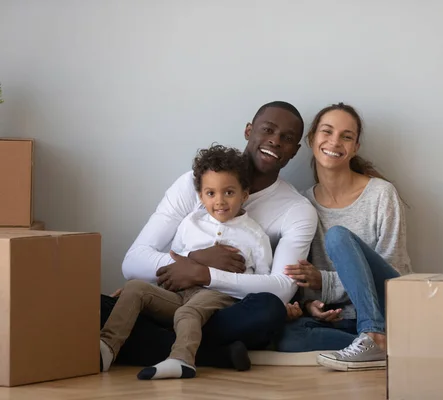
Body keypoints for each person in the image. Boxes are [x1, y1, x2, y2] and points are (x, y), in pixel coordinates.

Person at [101, 101, 318, 370]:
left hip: (226, 312)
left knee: (269, 310)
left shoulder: (296, 209)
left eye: (286, 138)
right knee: (97, 306)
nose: (275, 141)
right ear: (249, 131)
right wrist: (193, 261)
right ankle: (212, 356)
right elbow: (133, 263)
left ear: (294, 151)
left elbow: (283, 287)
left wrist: (206, 275)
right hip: (177, 299)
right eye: (268, 130)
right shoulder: (192, 184)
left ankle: (159, 346)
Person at [100, 145, 273, 380]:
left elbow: (264, 281)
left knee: (188, 312)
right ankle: (106, 348)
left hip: (218, 296)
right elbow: (177, 264)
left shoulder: (255, 236)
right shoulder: (190, 223)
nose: (220, 201)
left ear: (244, 194)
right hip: (181, 294)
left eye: (229, 193)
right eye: (211, 193)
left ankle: (181, 360)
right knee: (135, 288)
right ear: (201, 196)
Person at [279, 102, 412, 372]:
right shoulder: (302, 205)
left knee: (339, 237)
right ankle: (376, 345)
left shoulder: (381, 194)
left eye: (346, 136)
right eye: (327, 132)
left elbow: (394, 272)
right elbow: (304, 277)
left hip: (387, 307)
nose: (334, 142)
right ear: (312, 139)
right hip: (338, 318)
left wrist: (325, 281)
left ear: (355, 148)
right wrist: (309, 304)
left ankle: (374, 333)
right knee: (282, 335)